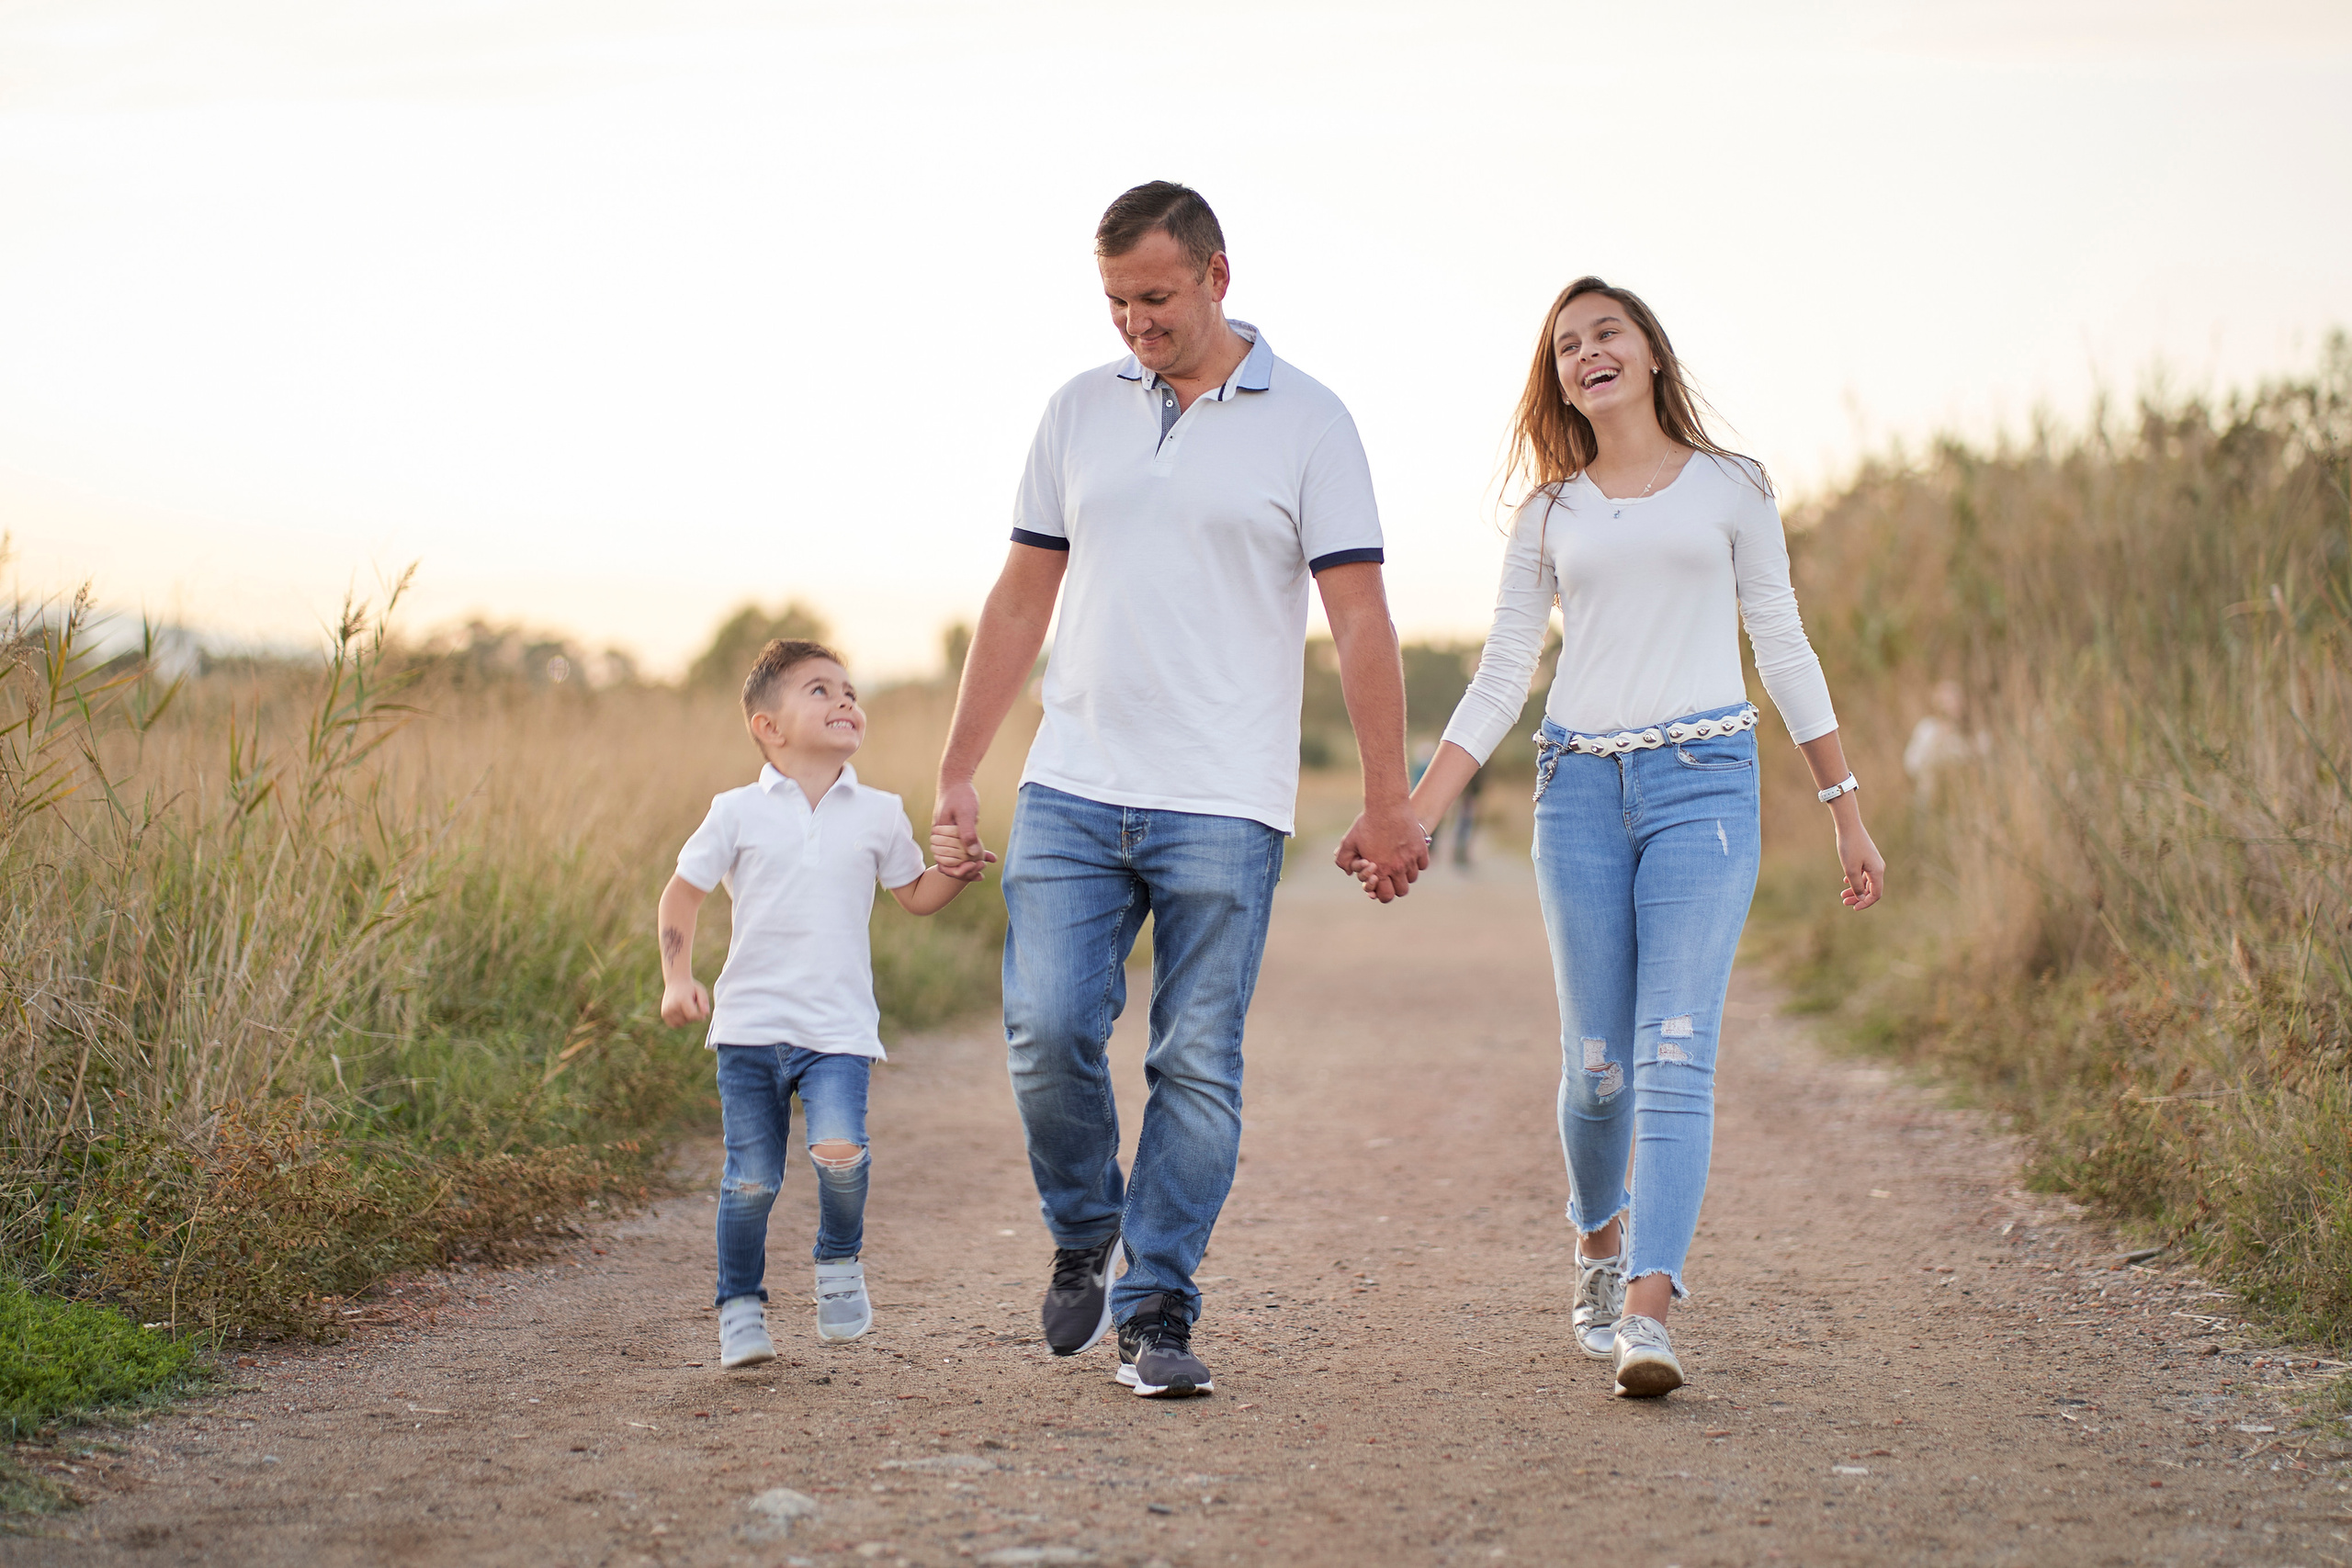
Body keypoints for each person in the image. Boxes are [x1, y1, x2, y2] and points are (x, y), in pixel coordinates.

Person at [928, 181, 1425, 1399]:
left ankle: (1155, 1307)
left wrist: (1386, 796)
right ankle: (1086, 1224)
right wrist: (954, 767)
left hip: (1224, 797)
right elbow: (1018, 600)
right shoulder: (1077, 411)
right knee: (1048, 1030)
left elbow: (1358, 619)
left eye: (1154, 296)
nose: (1135, 323)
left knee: (1195, 1061)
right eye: (1114, 302)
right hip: (1073, 782)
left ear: (1217, 275)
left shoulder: (1311, 420)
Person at [1363, 277, 1884, 1398]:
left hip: (1706, 787)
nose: (1587, 353)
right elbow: (1503, 673)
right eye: (1566, 347)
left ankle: (1651, 1309)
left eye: (1607, 333)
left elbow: (1781, 646)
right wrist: (1417, 811)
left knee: (1675, 1049)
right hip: (1580, 794)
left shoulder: (1733, 488)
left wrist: (1844, 808)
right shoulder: (1550, 515)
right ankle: (1598, 1244)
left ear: (1650, 351)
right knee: (1598, 1070)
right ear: (1559, 381)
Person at [656, 637, 989, 1371]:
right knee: (751, 1177)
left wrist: (957, 872)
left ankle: (839, 1262)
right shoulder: (736, 811)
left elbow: (915, 894)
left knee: (841, 1155)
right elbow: (683, 891)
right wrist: (678, 977)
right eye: (819, 690)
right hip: (748, 1028)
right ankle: (739, 1306)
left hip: (838, 1028)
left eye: (850, 691)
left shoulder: (878, 812)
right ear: (767, 727)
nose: (845, 701)